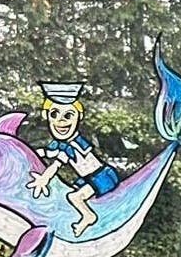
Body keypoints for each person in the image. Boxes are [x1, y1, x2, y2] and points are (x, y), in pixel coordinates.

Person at [25, 82, 121, 237]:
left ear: (79, 117)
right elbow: (49, 153)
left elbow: (56, 165)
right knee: (68, 194)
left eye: (68, 115)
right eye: (54, 114)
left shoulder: (74, 144)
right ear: (46, 115)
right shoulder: (61, 144)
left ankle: (89, 217)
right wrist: (28, 152)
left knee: (74, 197)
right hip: (88, 179)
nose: (61, 121)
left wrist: (44, 179)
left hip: (102, 177)